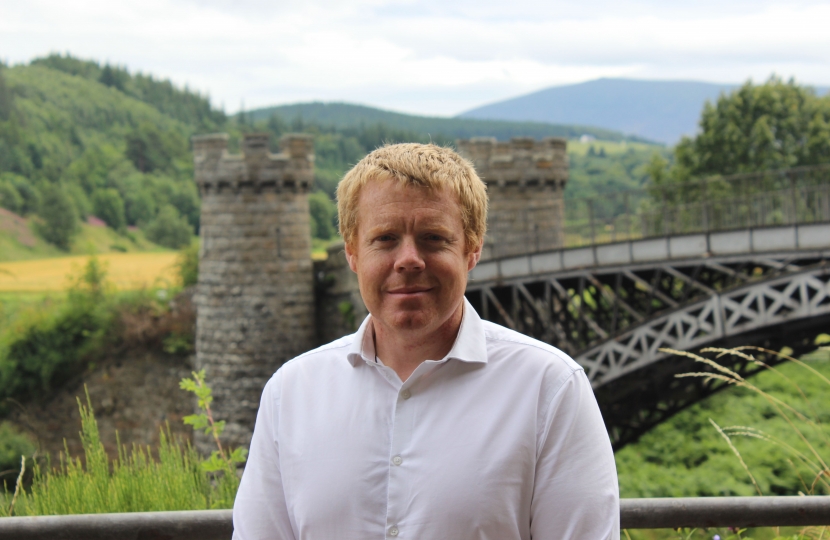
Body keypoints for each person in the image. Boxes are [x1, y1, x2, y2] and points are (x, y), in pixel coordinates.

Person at [232, 143, 619, 539]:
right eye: (384, 239)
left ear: (473, 248)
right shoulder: (290, 392)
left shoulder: (550, 389)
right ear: (352, 252)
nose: (409, 260)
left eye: (434, 238)